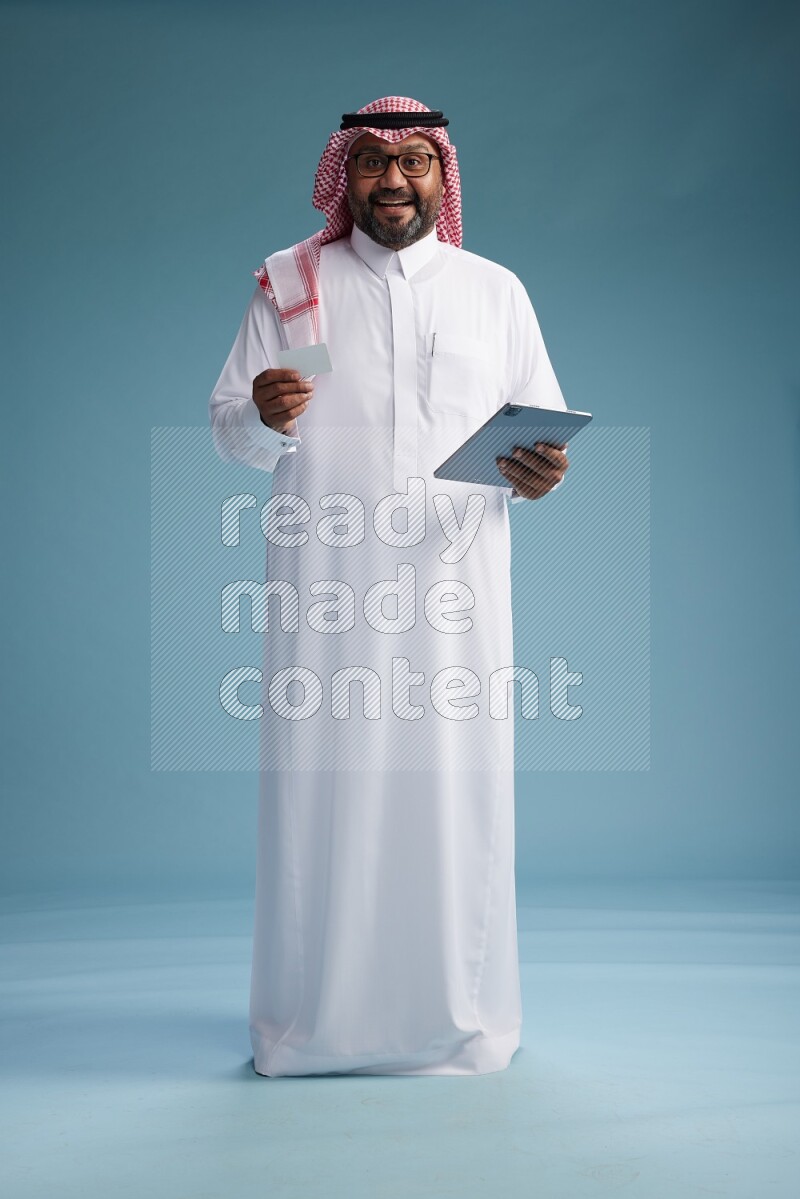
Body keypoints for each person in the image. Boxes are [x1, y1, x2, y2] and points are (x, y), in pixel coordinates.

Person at [209, 96, 570, 1077]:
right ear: (343, 174)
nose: (393, 179)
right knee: (323, 801)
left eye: (414, 160)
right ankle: (308, 1026)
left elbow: (530, 435)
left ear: (441, 176)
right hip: (328, 599)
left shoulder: (493, 292)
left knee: (454, 801)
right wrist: (265, 411)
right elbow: (234, 433)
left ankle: (458, 1021)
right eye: (371, 161)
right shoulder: (295, 290)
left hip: (456, 602)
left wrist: (536, 474)